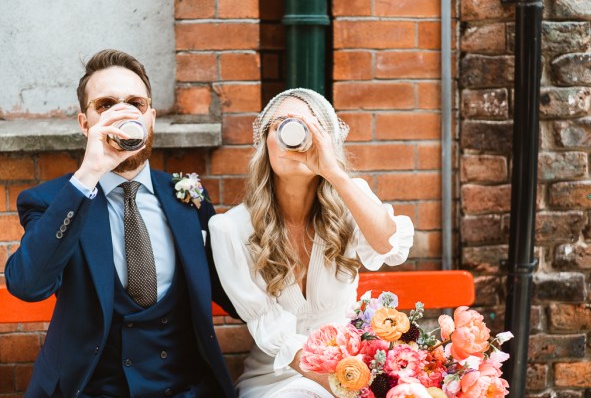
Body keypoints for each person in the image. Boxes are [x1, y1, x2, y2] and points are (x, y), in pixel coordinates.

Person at [5, 49, 237, 398]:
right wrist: (88, 176)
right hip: (90, 389)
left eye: (135, 103)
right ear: (85, 124)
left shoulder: (187, 195)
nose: (122, 112)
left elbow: (234, 291)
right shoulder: (52, 201)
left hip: (184, 389)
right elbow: (28, 285)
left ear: (151, 117)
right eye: (106, 105)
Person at [208, 88, 415, 398]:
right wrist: (349, 389)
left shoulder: (350, 199)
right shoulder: (230, 229)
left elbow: (391, 248)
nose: (296, 135)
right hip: (279, 376)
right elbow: (275, 335)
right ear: (266, 141)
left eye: (310, 126)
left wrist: (335, 173)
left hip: (352, 365)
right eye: (283, 124)